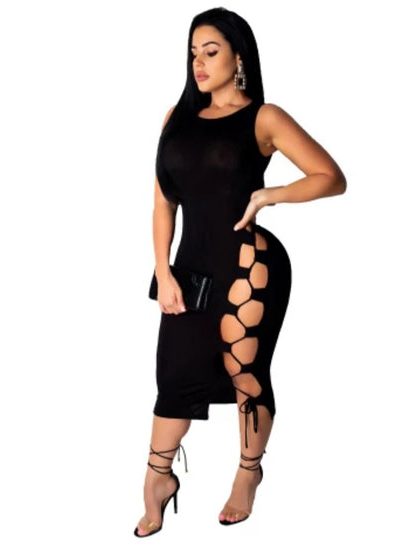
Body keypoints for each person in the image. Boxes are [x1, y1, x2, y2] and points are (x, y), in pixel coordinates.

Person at [134, 6, 347, 537]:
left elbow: (330, 176)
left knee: (244, 371)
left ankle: (248, 473)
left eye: (211, 52)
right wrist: (163, 271)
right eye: (193, 53)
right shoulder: (175, 117)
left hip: (249, 265)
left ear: (239, 57)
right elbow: (163, 204)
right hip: (189, 268)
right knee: (175, 374)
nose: (199, 63)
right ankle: (158, 478)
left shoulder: (264, 118)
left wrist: (270, 195)